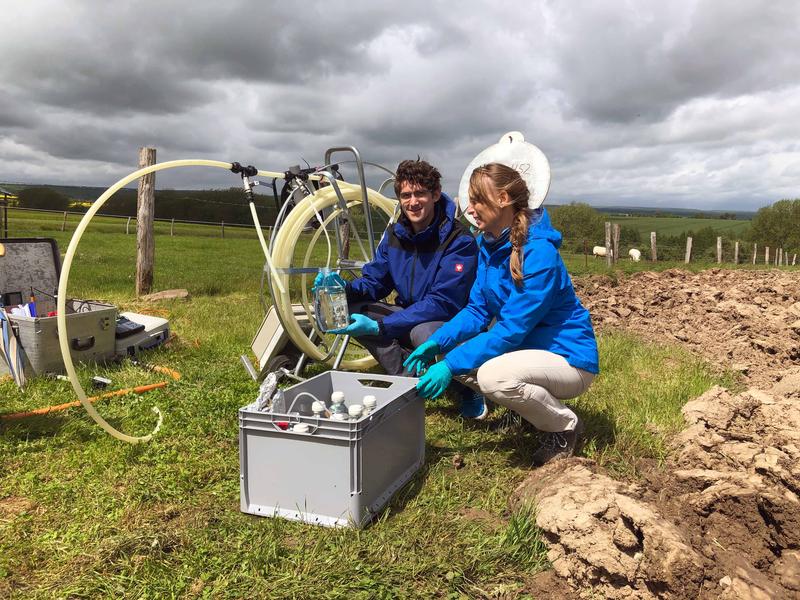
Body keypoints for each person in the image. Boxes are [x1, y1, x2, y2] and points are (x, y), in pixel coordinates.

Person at [404, 162, 599, 464]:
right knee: (448, 354)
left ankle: (564, 426)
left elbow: (511, 330)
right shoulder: (488, 245)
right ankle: (531, 412)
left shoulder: (539, 253)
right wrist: (438, 343)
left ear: (504, 199)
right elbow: (477, 310)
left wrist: (452, 364)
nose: (470, 209)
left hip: (568, 358)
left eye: (478, 199)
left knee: (493, 376)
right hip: (529, 352)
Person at [320, 159, 487, 418]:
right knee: (352, 309)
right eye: (406, 195)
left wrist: (381, 327)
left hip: (446, 319)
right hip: (408, 312)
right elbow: (376, 281)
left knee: (423, 332)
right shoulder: (395, 235)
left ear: (434, 195)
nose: (413, 202)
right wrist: (344, 289)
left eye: (420, 193)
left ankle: (463, 386)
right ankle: (409, 377)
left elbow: (442, 302)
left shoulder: (459, 241)